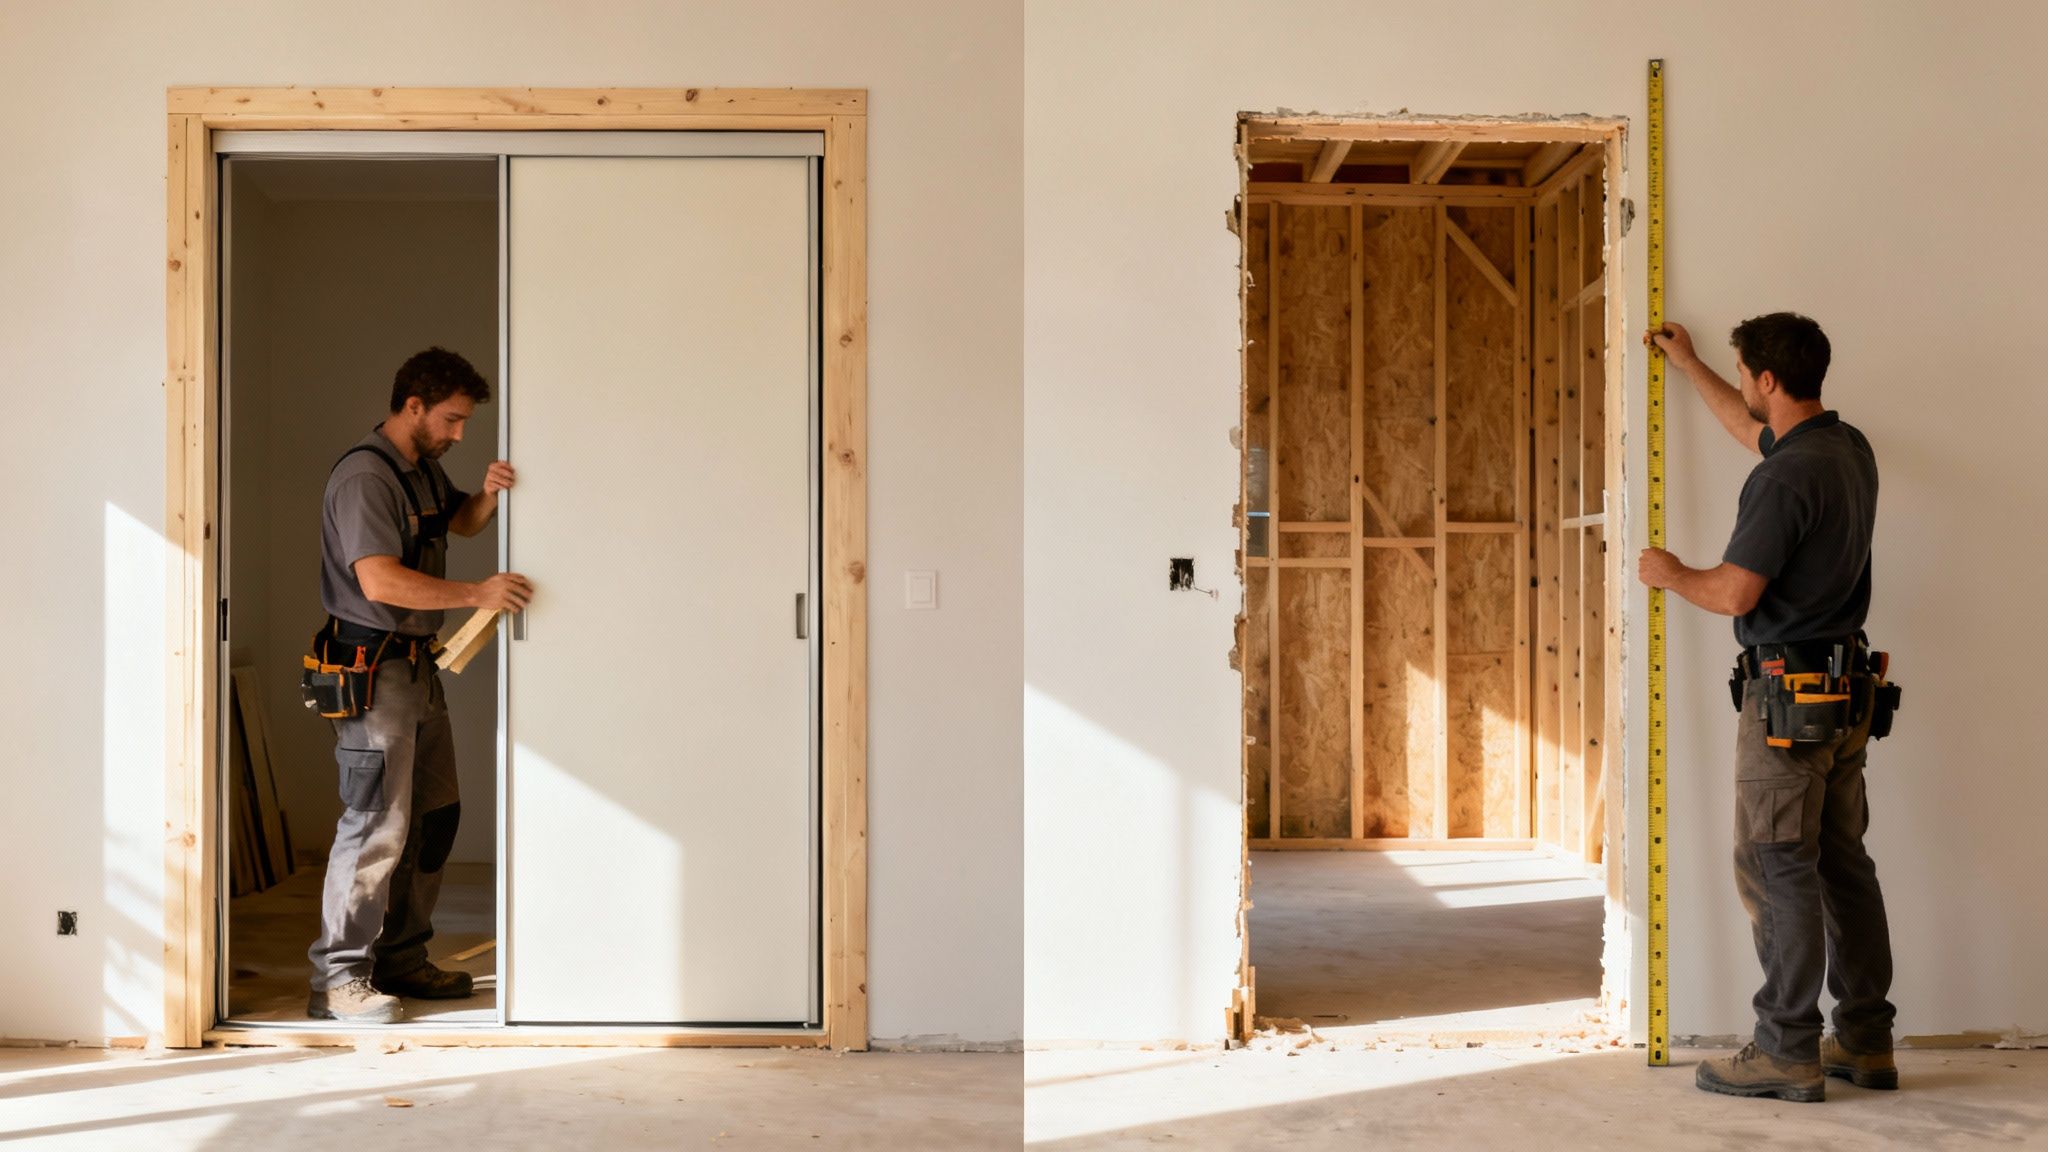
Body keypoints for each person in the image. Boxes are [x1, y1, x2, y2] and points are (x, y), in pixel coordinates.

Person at [1638, 313, 1897, 1102]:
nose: (1744, 382)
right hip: (1845, 696)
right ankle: (1865, 1040)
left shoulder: (1785, 478)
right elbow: (1752, 429)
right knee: (1842, 864)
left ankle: (1785, 1048)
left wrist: (1671, 572)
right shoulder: (1844, 449)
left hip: (1788, 702)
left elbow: (1733, 591)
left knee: (1776, 864)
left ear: (1770, 381)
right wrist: (1691, 367)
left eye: (1746, 371)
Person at [306, 347, 534, 1024]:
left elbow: (458, 521)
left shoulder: (421, 471)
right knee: (375, 823)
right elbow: (379, 581)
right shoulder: (365, 480)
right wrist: (478, 593)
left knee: (434, 819)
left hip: (416, 668)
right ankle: (338, 980)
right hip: (374, 674)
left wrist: (488, 494)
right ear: (413, 406)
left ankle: (401, 958)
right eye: (453, 419)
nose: (460, 434)